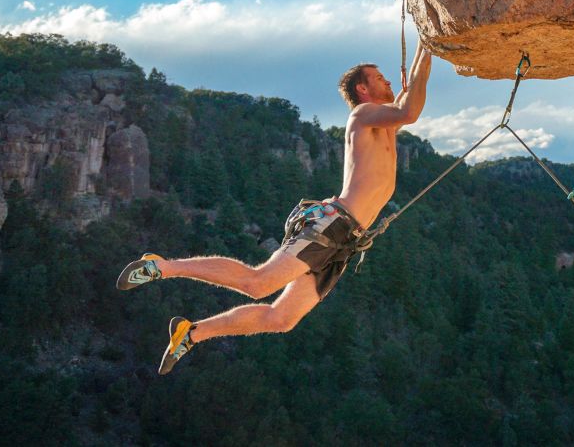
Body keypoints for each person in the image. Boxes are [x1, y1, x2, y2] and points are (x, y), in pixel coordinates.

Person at [116, 44, 432, 374]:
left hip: (345, 240)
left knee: (282, 319)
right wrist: (428, 46)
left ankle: (192, 333)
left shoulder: (384, 125)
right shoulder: (361, 116)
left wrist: (421, 59)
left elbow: (408, 103)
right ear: (362, 90)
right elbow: (409, 110)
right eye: (379, 78)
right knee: (258, 283)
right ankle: (162, 267)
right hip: (333, 226)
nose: (388, 82)